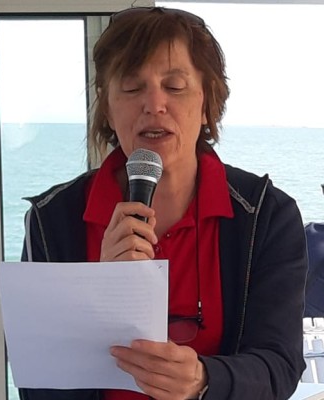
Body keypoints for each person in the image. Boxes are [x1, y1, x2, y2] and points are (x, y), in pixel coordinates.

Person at [19, 6, 308, 400]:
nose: (154, 104)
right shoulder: (52, 219)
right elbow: (37, 385)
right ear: (107, 107)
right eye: (132, 88)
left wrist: (204, 380)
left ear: (207, 103)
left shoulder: (265, 215)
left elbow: (279, 367)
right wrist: (99, 293)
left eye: (174, 87)